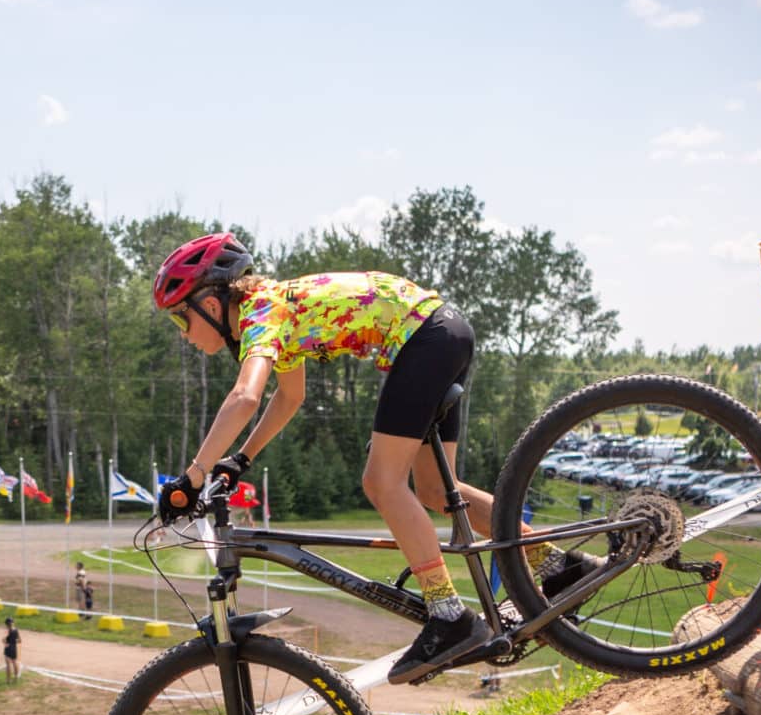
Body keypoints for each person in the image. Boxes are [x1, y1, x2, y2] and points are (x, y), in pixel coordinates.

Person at [150, 233, 599, 685]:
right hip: (442, 332)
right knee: (435, 492)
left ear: (209, 304)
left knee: (381, 482)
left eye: (179, 320)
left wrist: (191, 479)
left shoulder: (260, 314)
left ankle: (449, 616)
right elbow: (290, 396)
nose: (183, 336)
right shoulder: (274, 307)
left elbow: (245, 397)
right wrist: (240, 460)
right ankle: (562, 567)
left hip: (424, 340)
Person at [2, 616, 21, 681]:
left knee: (8, 665)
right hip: (14, 647)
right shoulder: (16, 630)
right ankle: (16, 677)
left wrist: (6, 644)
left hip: (8, 648)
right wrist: (13, 641)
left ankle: (8, 679)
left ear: (6, 624)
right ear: (13, 622)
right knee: (14, 662)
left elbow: (3, 639)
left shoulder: (8, 630)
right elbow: (19, 640)